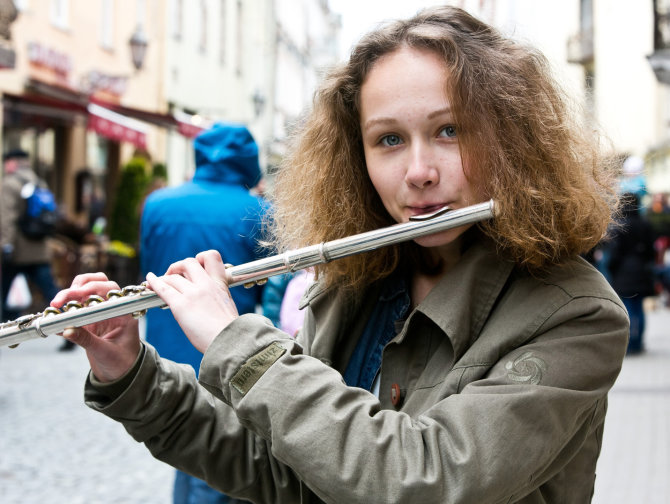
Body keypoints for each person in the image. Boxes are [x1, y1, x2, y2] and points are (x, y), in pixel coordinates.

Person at [54, 7, 629, 503]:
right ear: (358, 159)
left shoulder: (575, 314)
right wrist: (131, 372)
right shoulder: (358, 282)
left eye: (450, 130)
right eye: (389, 140)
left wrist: (240, 345)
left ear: (510, 138)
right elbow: (285, 472)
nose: (419, 172)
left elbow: (426, 482)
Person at [139, 123, 266, 504]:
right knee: (218, 453)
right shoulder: (257, 210)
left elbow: (148, 272)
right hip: (223, 348)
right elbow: (268, 286)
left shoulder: (157, 204)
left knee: (187, 443)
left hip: (165, 345)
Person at [1, 149, 61, 323]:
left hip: (17, 251)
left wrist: (6, 245)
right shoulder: (39, 182)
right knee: (52, 293)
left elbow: (7, 218)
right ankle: (71, 325)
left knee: (2, 292)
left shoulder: (9, 183)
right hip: (40, 249)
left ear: (11, 162)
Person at [607, 192, 656, 355]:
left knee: (627, 308)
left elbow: (615, 253)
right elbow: (651, 251)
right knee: (639, 308)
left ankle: (628, 344)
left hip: (623, 272)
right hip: (641, 270)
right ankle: (638, 342)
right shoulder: (645, 224)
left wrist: (612, 269)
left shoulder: (620, 225)